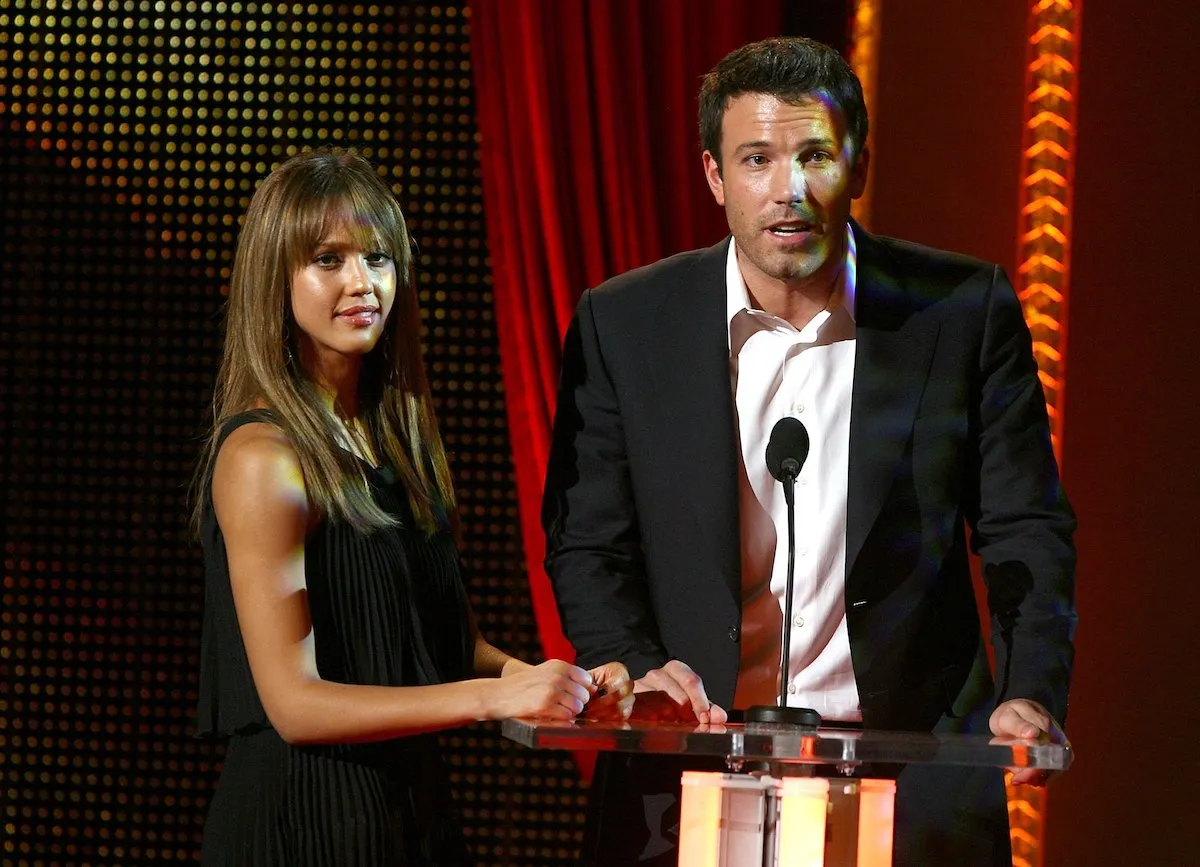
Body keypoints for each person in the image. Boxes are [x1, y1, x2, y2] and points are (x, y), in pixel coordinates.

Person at [542, 37, 1076, 866]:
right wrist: (641, 670)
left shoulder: (961, 311)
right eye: (756, 159)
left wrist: (1029, 690)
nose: (787, 190)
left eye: (815, 155)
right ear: (716, 176)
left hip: (911, 767)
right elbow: (587, 540)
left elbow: (1026, 527)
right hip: (693, 766)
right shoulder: (627, 323)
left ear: (857, 165)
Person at [191, 149, 631, 866]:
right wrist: (490, 700)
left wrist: (557, 687)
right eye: (327, 260)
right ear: (276, 280)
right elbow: (295, 705)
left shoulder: (397, 440)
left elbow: (448, 648)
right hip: (303, 827)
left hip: (412, 817)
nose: (362, 282)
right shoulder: (262, 457)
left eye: (378, 257)